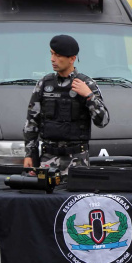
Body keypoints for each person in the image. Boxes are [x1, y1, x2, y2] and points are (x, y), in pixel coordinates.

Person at [22, 34, 110, 174]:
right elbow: (31, 123)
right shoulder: (44, 84)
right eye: (51, 54)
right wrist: (29, 154)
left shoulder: (86, 84)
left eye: (58, 55)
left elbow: (103, 121)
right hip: (47, 160)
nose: (52, 59)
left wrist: (89, 96)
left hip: (77, 161)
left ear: (72, 59)